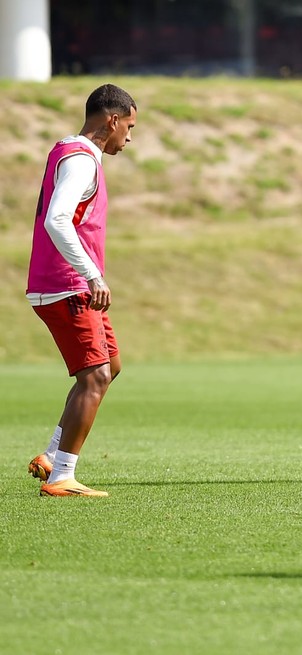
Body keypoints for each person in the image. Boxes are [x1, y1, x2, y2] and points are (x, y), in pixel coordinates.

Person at [26, 83, 138, 497]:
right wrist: (92, 274)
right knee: (95, 375)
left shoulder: (72, 151)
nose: (129, 135)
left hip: (70, 283)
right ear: (112, 119)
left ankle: (54, 456)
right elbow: (58, 220)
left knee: (111, 364)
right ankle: (62, 478)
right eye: (129, 125)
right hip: (68, 283)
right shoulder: (80, 160)